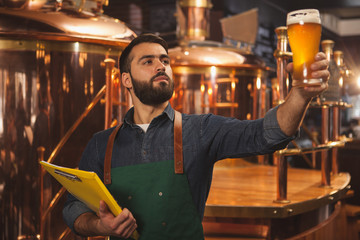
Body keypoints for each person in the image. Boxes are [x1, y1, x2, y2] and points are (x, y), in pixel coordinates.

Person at [63, 33, 330, 239]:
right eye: (148, 61)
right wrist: (100, 226)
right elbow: (73, 207)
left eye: (164, 60)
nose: (161, 66)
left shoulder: (201, 130)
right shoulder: (101, 144)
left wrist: (299, 95)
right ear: (126, 80)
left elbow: (266, 134)